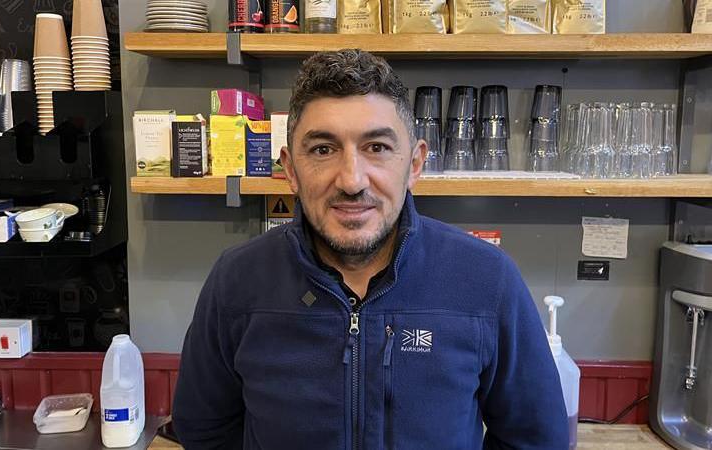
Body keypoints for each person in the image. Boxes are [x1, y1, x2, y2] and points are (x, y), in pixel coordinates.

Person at [173, 49, 568, 449]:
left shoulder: (487, 280)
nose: (351, 179)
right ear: (290, 170)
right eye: (323, 149)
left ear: (415, 164)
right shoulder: (237, 282)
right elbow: (204, 431)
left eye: (376, 147)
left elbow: (536, 439)